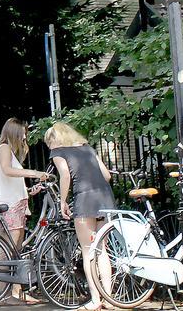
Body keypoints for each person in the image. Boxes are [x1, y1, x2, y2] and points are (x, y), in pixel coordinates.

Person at [46, 122, 116, 311]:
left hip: (84, 200)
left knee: (88, 251)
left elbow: (65, 176)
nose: (48, 147)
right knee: (103, 250)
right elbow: (107, 175)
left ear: (54, 140)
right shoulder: (88, 149)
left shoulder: (59, 152)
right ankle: (109, 299)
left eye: (48, 143)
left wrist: (62, 201)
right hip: (105, 198)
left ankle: (95, 300)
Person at [0, 118, 50, 303]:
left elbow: (10, 181)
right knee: (8, 251)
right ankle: (5, 295)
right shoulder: (4, 148)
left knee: (15, 252)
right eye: (23, 132)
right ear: (14, 132)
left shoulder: (8, 151)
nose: (25, 136)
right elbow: (7, 171)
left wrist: (30, 191)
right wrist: (33, 173)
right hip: (9, 207)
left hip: (16, 205)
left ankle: (17, 293)